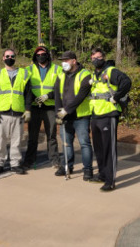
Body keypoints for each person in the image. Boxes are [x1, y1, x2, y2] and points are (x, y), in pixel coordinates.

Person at [89, 48, 131, 191]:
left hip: (109, 114)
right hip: (95, 115)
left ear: (104, 58)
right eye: (94, 57)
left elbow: (126, 82)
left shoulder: (111, 71)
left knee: (109, 149)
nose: (96, 60)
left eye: (99, 57)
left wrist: (116, 97)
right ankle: (102, 174)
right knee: (99, 148)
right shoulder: (95, 74)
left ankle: (110, 180)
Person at [53, 51, 94, 181]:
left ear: (74, 61)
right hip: (65, 116)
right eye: (62, 61)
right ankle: (67, 166)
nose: (63, 63)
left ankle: (87, 169)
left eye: (66, 60)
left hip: (81, 116)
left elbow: (80, 96)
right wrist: (59, 113)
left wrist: (67, 110)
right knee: (66, 143)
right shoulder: (60, 75)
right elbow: (57, 95)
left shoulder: (85, 75)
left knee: (84, 143)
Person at [21, 43, 62, 170]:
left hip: (50, 106)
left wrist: (48, 96)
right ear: (35, 56)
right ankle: (29, 160)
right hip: (34, 106)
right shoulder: (28, 70)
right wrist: (34, 98)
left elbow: (60, 88)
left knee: (51, 135)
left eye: (43, 54)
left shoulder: (57, 69)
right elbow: (25, 88)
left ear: (47, 55)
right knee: (33, 136)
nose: (40, 56)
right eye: (38, 55)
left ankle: (55, 160)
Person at [0, 49, 31, 175]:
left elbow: (28, 94)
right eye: (7, 56)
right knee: (0, 140)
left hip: (18, 113)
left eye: (12, 56)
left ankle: (15, 164)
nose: (10, 58)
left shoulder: (24, 74)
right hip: (2, 114)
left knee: (16, 141)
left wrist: (28, 109)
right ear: (3, 58)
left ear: (15, 58)